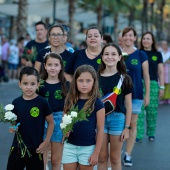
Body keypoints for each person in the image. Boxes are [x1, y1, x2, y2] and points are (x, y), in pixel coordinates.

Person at [6, 67, 54, 170]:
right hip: (18, 147)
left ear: (38, 84)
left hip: (36, 148)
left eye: (32, 84)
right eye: (25, 84)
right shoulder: (16, 103)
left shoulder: (42, 102)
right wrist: (12, 127)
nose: (29, 87)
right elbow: (15, 123)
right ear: (20, 84)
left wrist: (46, 142)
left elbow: (51, 122)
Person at [62, 65, 105, 170]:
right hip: (70, 146)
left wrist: (96, 153)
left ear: (94, 82)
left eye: (88, 81)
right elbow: (64, 121)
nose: (84, 84)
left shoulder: (98, 103)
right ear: (75, 82)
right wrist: (64, 131)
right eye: (80, 81)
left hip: (88, 148)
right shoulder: (70, 100)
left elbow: (100, 130)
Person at [97, 43, 132, 170]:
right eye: (106, 54)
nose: (109, 57)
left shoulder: (125, 78)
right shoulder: (95, 77)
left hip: (118, 119)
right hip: (99, 120)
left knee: (115, 158)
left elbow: (128, 104)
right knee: (101, 157)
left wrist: (127, 128)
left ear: (119, 57)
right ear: (102, 57)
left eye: (113, 54)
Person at [121, 27, 150, 167]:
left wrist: (148, 94)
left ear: (134, 38)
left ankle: (128, 154)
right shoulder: (116, 53)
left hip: (136, 94)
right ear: (122, 37)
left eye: (130, 35)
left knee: (132, 124)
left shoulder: (141, 54)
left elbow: (146, 75)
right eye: (125, 35)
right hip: (119, 96)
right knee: (119, 123)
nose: (127, 38)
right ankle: (115, 151)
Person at [37, 52, 69, 170]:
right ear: (44, 66)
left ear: (61, 66)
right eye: (50, 64)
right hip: (42, 120)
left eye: (56, 65)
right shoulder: (39, 85)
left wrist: (66, 126)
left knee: (56, 159)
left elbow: (68, 106)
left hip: (59, 120)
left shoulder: (66, 85)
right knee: (42, 157)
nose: (53, 68)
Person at [136, 32, 164, 142]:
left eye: (148, 38)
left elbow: (160, 72)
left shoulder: (157, 54)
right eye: (144, 38)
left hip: (152, 84)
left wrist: (161, 87)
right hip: (139, 84)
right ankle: (138, 135)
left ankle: (151, 133)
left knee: (152, 111)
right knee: (139, 111)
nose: (146, 40)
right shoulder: (138, 53)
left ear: (152, 41)